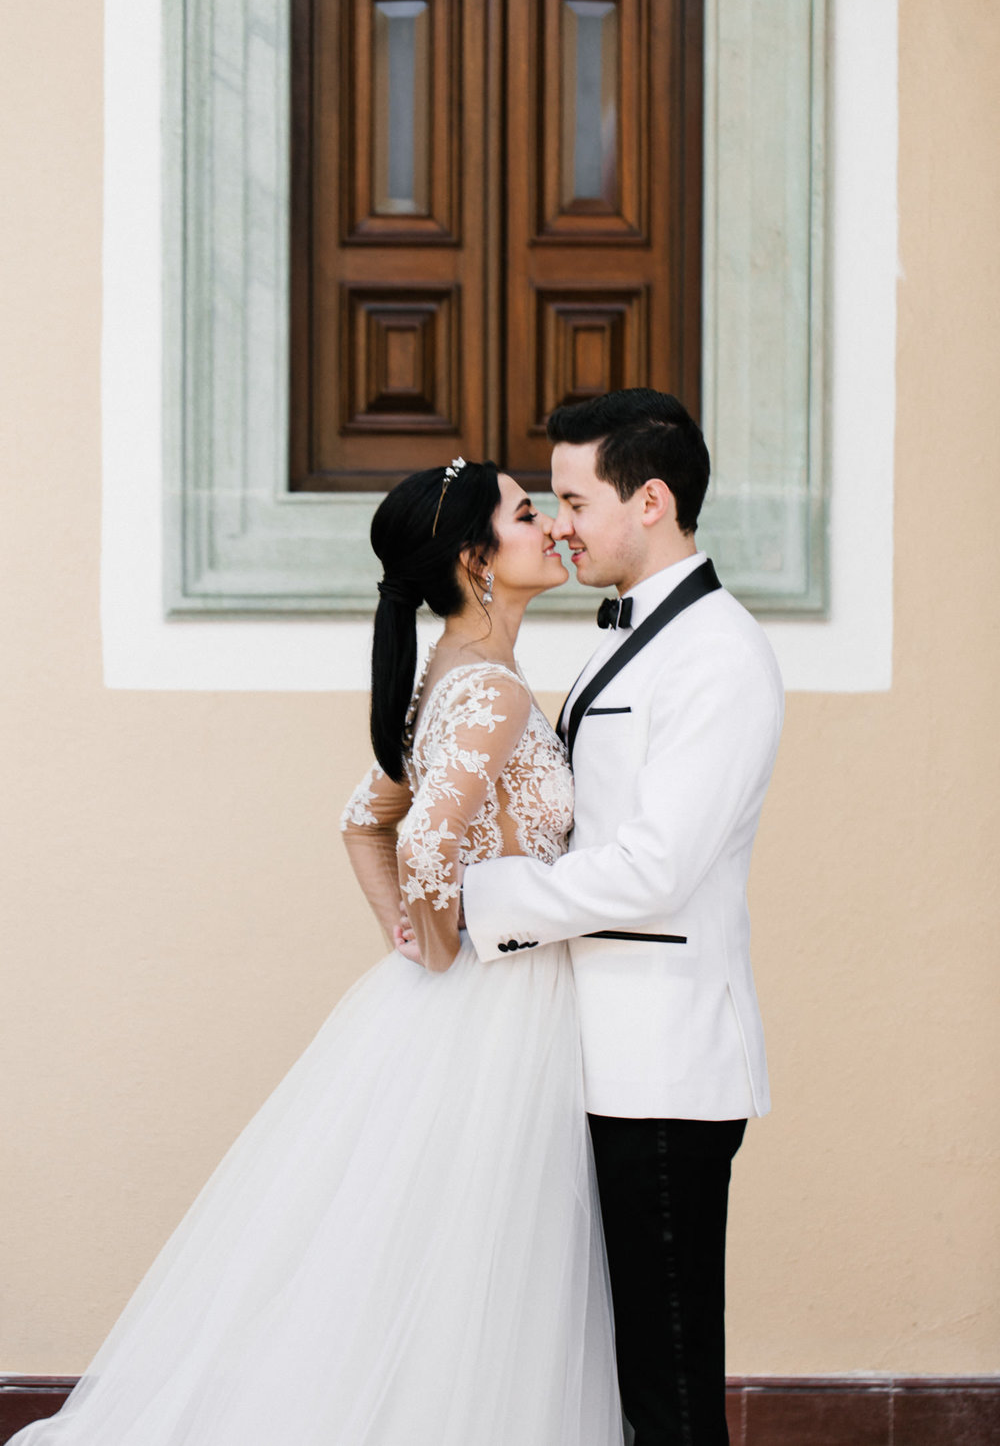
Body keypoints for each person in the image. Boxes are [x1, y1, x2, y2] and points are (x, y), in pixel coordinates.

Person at [8, 460, 623, 1446]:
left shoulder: (446, 679)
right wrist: (435, 945)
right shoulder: (492, 692)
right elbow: (413, 840)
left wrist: (418, 942)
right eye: (524, 512)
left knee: (430, 1256)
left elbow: (361, 821)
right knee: (479, 1256)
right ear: (475, 560)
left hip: (472, 1000)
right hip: (498, 1004)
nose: (549, 524)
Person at [460, 390, 785, 1446]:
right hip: (596, 1049)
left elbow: (656, 866)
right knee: (615, 1366)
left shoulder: (719, 655)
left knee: (668, 1375)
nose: (558, 525)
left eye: (572, 500)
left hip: (663, 1061)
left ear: (651, 500)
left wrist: (489, 904)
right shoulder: (626, 634)